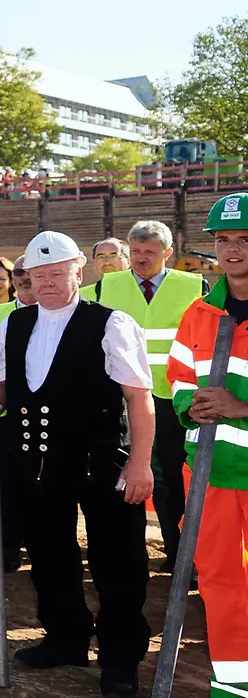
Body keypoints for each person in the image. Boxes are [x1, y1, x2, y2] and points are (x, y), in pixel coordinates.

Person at [0, 231, 154, 697]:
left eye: (57, 273)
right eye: (38, 275)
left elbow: (138, 398)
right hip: (35, 465)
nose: (48, 282)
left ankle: (119, 658)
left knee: (117, 561)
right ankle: (67, 637)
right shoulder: (13, 323)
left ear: (79, 270)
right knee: (50, 555)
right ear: (25, 278)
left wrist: (140, 463)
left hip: (99, 461)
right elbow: (4, 388)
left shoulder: (111, 323)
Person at [167, 193, 248, 698]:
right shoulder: (198, 313)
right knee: (219, 581)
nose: (233, 250)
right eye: (223, 240)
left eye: (244, 240)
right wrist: (188, 406)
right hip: (210, 471)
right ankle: (235, 684)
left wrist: (243, 407)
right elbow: (178, 375)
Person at [98, 219, 207, 573]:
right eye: (136, 251)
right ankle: (130, 557)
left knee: (173, 480)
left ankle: (180, 559)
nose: (141, 258)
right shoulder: (104, 287)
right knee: (124, 476)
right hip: (121, 399)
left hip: (173, 399)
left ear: (168, 253)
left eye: (150, 251)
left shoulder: (194, 286)